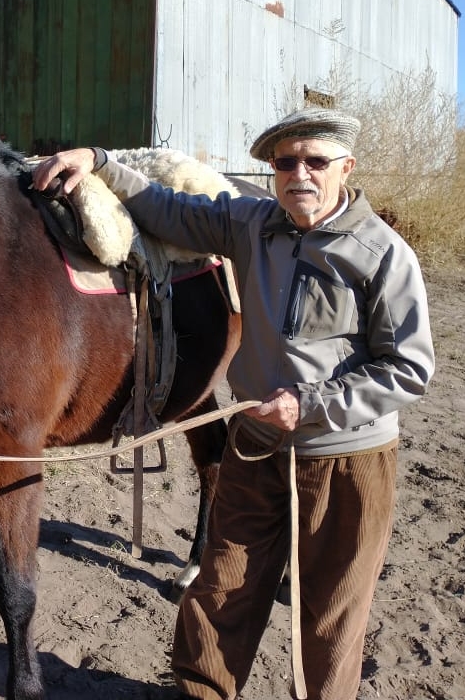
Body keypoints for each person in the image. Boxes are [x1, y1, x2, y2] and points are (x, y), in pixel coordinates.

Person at [31, 108, 436, 700]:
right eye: (285, 162)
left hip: (343, 458)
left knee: (329, 608)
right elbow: (168, 208)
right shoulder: (252, 225)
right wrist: (98, 162)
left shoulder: (382, 252)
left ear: (345, 168)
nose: (300, 173)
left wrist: (311, 405)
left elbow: (409, 367)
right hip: (255, 444)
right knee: (222, 585)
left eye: (316, 161)